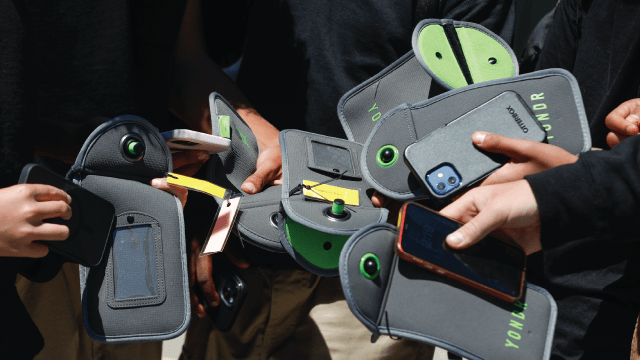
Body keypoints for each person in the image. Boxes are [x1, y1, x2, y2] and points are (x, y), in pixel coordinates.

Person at [179, 0, 517, 359]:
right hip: (240, 250)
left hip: (369, 276)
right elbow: (188, 61)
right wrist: (204, 213)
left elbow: (481, 118)